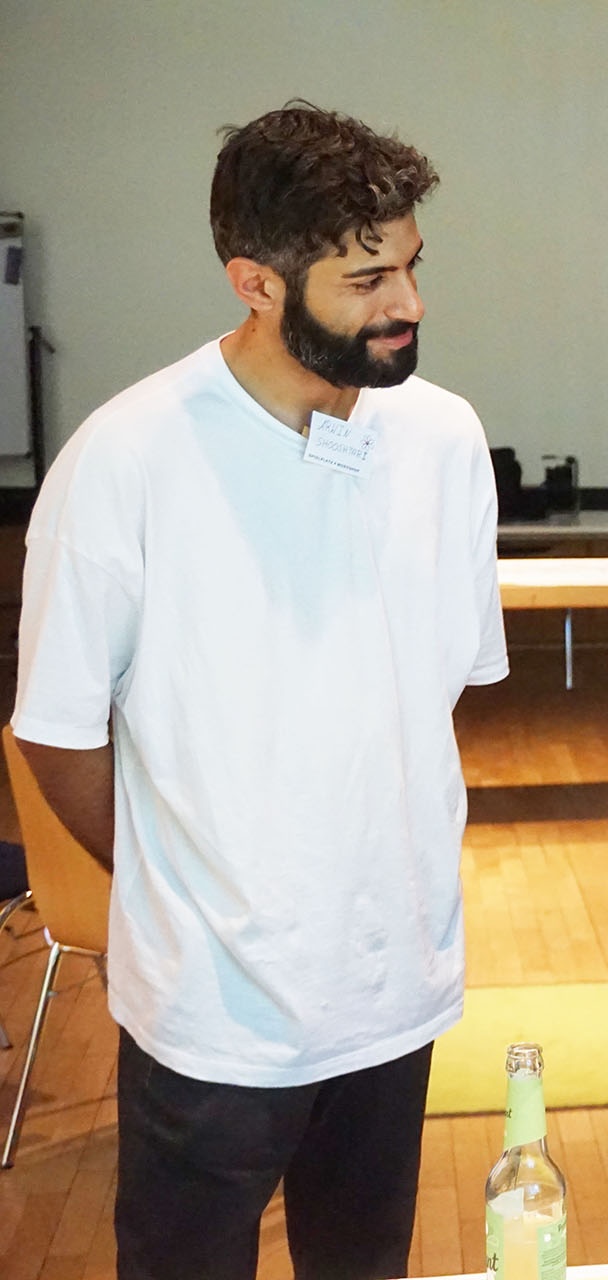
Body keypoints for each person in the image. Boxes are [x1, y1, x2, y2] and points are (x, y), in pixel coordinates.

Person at [10, 103, 507, 1280]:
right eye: (367, 276)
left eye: (413, 266)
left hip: (393, 986)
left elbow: (430, 692)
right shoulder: (126, 459)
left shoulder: (441, 439)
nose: (408, 305)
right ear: (255, 281)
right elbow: (58, 735)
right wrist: (177, 884)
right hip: (213, 1006)